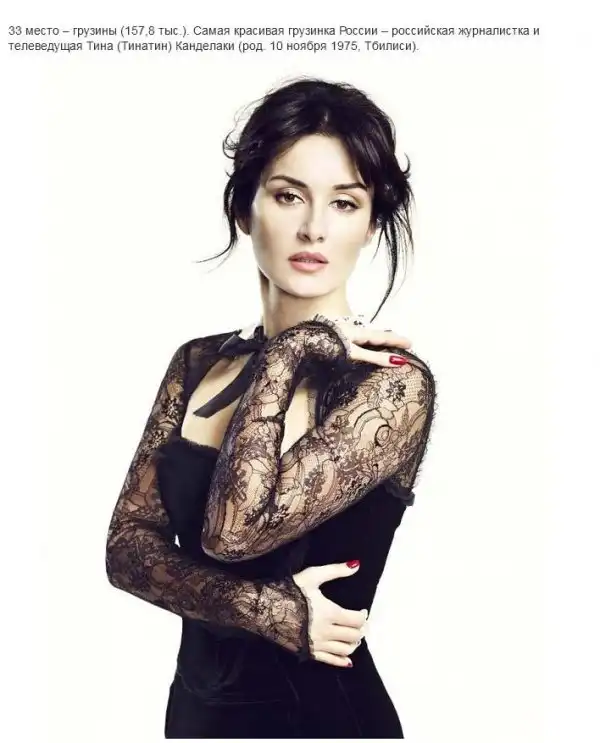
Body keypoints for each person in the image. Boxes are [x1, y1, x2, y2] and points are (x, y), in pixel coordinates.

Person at [105, 77, 437, 739]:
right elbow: (126, 551)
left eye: (345, 203)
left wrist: (292, 350)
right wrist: (267, 609)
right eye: (289, 196)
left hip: (322, 715)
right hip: (195, 715)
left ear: (370, 224)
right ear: (243, 207)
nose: (314, 227)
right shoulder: (198, 362)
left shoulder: (391, 385)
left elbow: (232, 534)